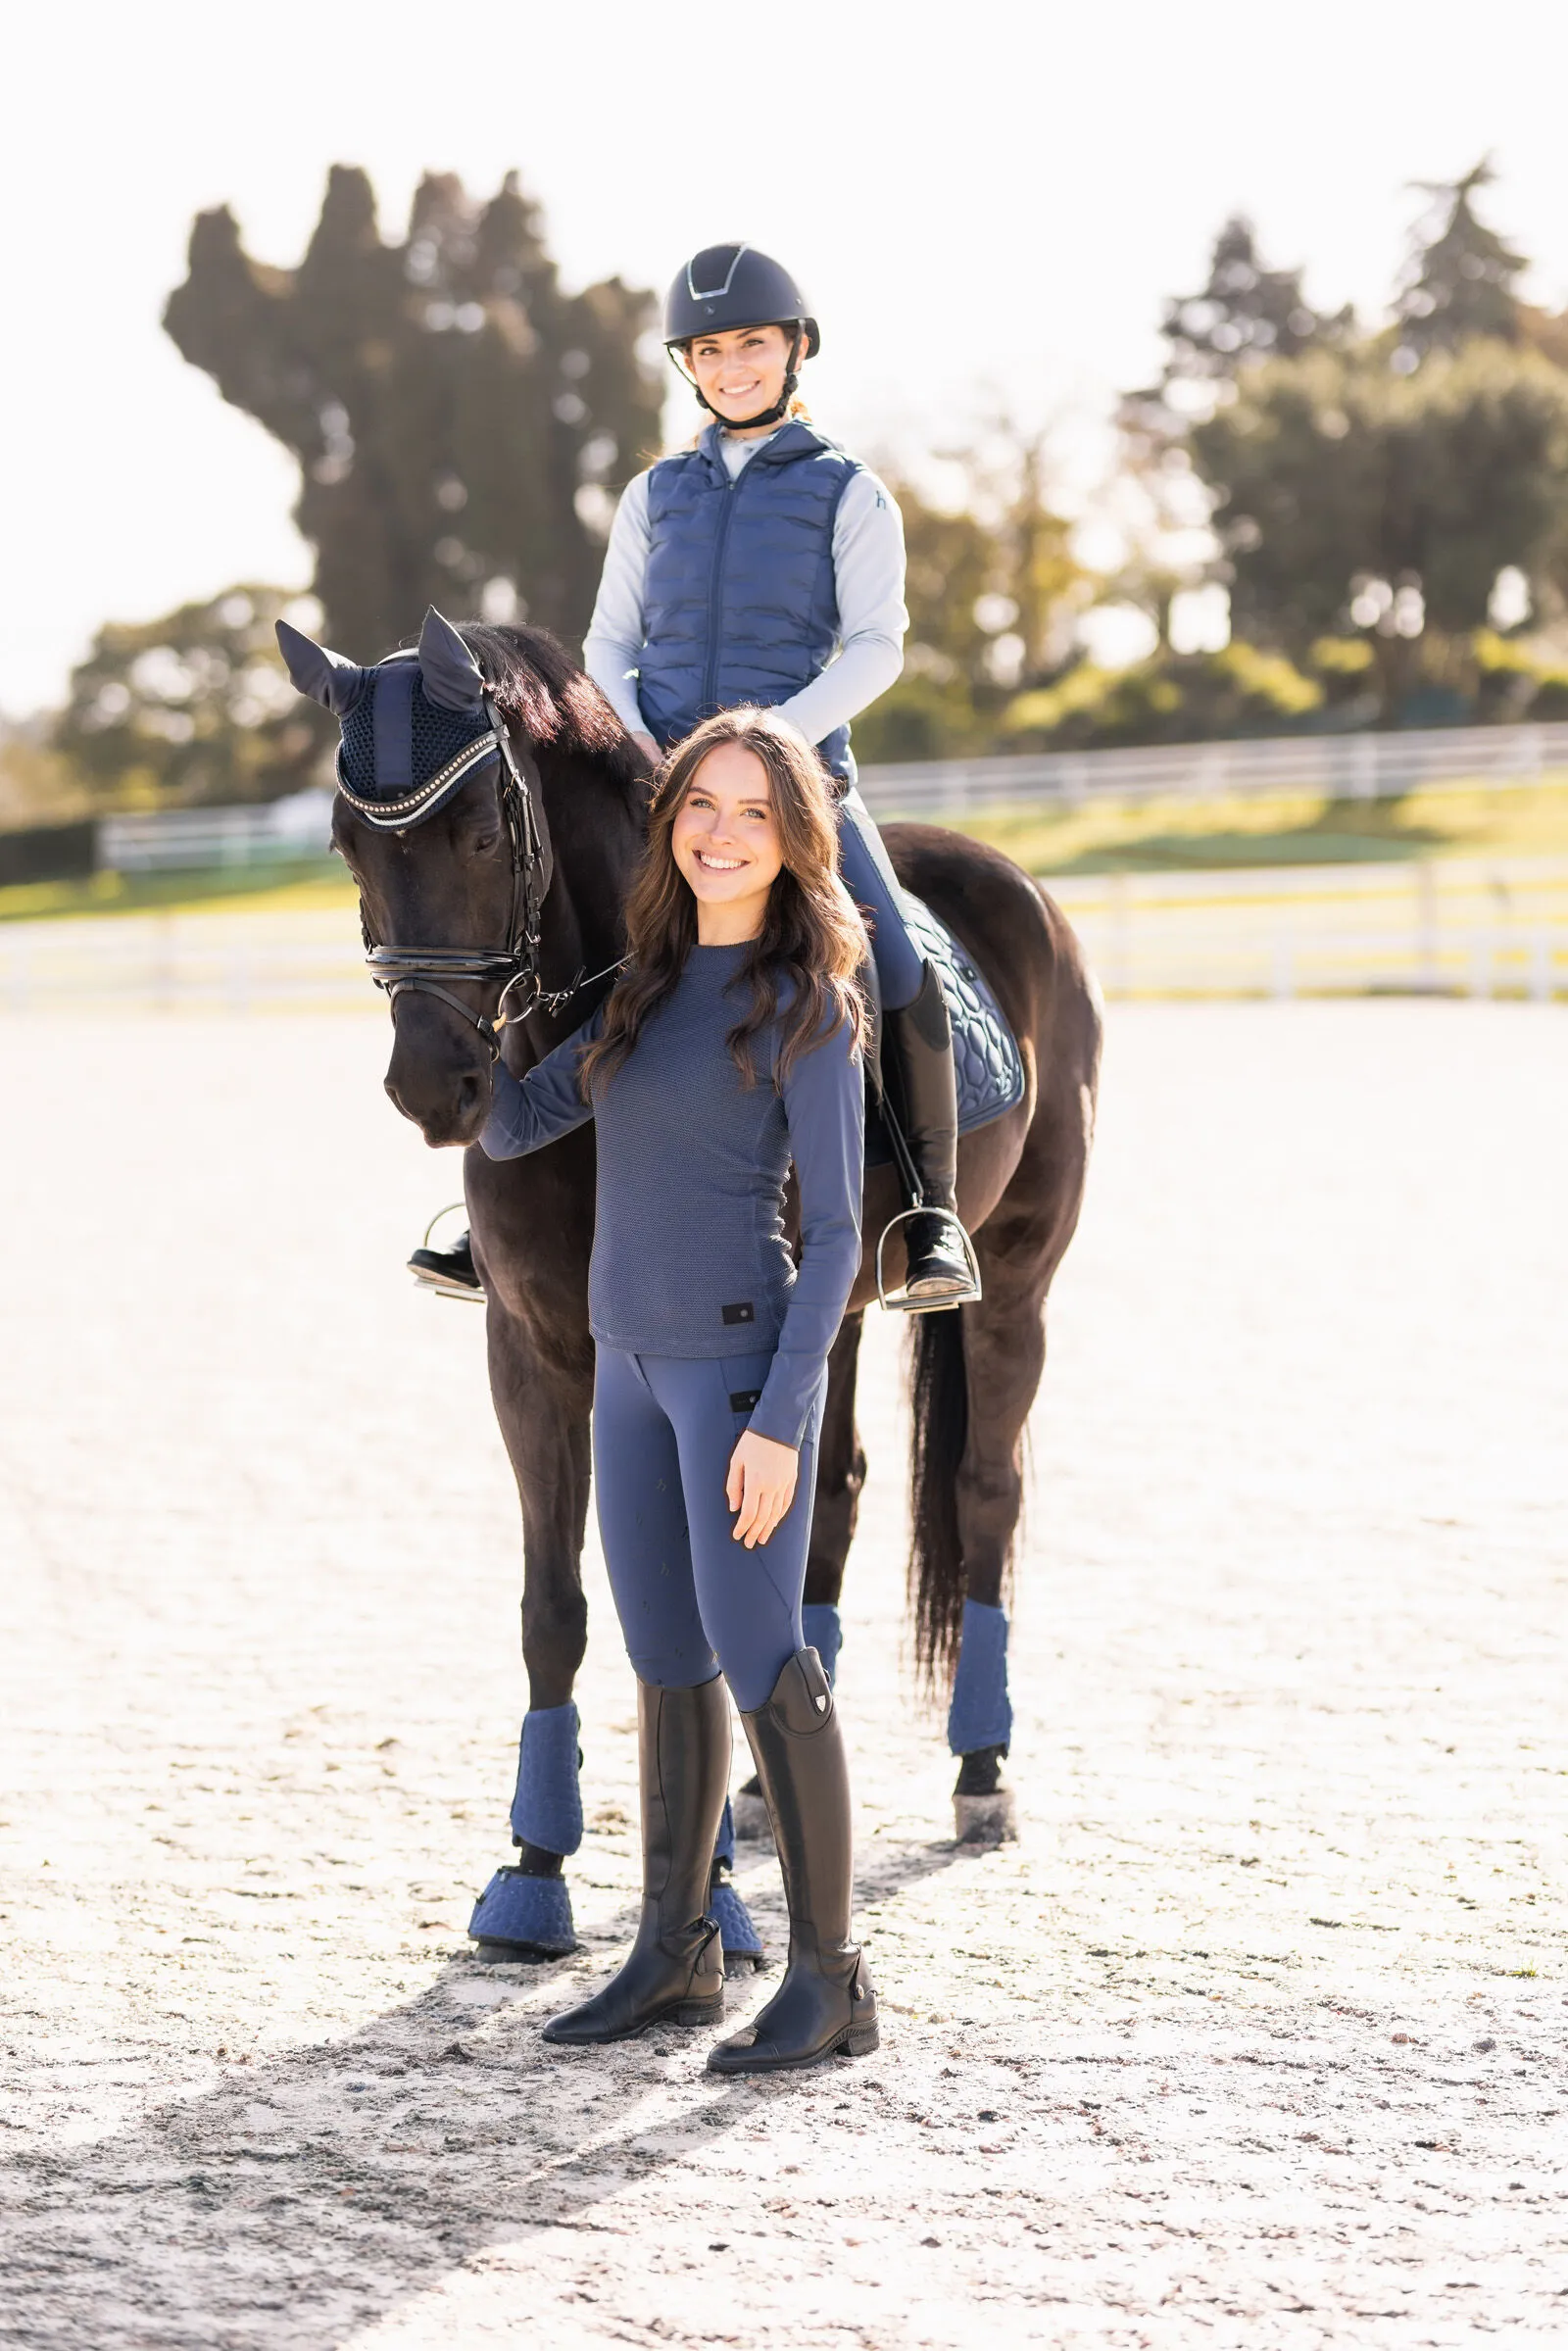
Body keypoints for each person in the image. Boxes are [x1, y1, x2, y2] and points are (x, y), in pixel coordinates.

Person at [409, 240, 979, 1312]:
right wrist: (649, 756)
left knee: (899, 962)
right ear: (690, 365)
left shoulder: (850, 491)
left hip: (800, 786)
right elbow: (607, 639)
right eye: (709, 350)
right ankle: (495, 1213)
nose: (730, 366)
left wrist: (768, 744)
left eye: (751, 345)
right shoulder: (652, 494)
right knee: (547, 949)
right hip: (654, 780)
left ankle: (931, 1208)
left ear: (794, 349)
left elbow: (877, 648)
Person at [478, 706, 879, 2073]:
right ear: (671, 822)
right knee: (663, 1657)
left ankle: (833, 1977)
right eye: (699, 805)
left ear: (791, 837)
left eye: (752, 812)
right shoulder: (638, 989)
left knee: (766, 1654)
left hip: (734, 1371)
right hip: (627, 1370)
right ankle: (674, 1948)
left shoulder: (809, 999)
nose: (718, 831)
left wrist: (780, 1418)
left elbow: (832, 1239)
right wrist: (456, 1028)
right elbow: (520, 1118)